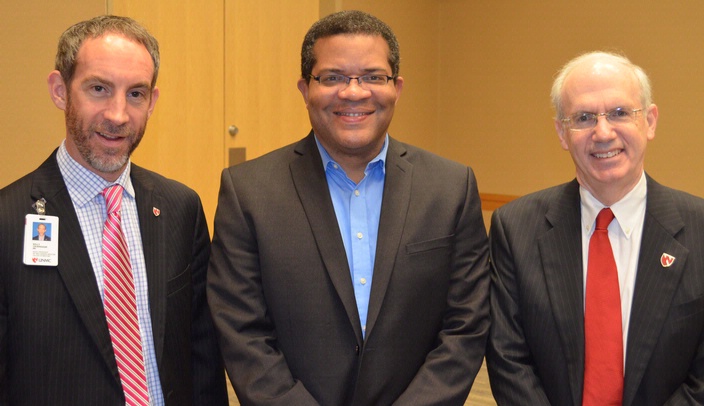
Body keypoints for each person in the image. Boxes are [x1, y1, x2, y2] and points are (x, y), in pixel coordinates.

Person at [207, 9, 490, 406]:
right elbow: (242, 332)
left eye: (373, 76)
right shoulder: (248, 192)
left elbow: (466, 326)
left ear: (397, 87)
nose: (354, 92)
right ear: (306, 89)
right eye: (333, 77)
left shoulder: (450, 187)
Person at [0, 15, 227, 405]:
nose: (118, 115)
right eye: (99, 89)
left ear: (152, 102)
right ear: (60, 91)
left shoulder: (180, 209)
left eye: (136, 94)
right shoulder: (8, 220)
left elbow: (203, 361)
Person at [487, 51, 704, 405]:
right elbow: (508, 360)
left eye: (620, 113)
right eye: (584, 118)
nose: (603, 132)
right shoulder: (516, 228)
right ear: (562, 132)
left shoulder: (700, 229)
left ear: (649, 121)